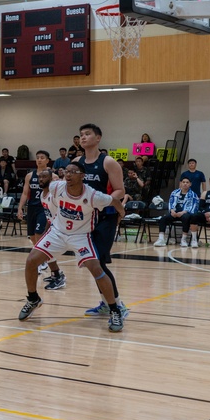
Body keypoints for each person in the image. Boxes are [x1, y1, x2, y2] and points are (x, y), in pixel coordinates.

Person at [18, 165, 126, 332]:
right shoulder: (56, 187)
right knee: (31, 260)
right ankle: (33, 299)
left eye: (73, 172)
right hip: (57, 232)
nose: (68, 175)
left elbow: (114, 200)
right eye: (66, 171)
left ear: (82, 175)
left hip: (81, 236)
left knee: (97, 269)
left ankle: (115, 310)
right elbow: (48, 196)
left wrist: (121, 214)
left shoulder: (93, 196)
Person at [72, 123, 128, 319]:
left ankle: (117, 305)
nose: (83, 137)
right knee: (91, 263)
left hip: (106, 217)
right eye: (81, 135)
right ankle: (106, 303)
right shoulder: (76, 162)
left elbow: (120, 190)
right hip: (84, 219)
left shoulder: (108, 162)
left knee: (99, 262)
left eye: (87, 134)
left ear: (98, 138)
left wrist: (103, 200)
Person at [18, 150, 66, 289]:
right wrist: (20, 208)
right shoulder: (30, 175)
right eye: (37, 158)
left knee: (41, 239)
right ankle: (52, 268)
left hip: (46, 210)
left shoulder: (54, 177)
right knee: (33, 238)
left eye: (42, 158)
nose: (39, 160)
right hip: (33, 208)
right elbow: (25, 193)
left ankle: (49, 266)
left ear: (47, 160)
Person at [153, 177, 200, 248]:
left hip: (185, 213)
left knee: (186, 218)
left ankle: (183, 239)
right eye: (183, 182)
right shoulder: (174, 192)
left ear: (190, 184)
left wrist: (182, 212)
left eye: (187, 182)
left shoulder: (193, 195)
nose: (185, 184)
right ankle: (161, 239)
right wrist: (172, 211)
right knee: (164, 218)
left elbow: (192, 207)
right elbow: (170, 203)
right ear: (180, 183)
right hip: (175, 212)